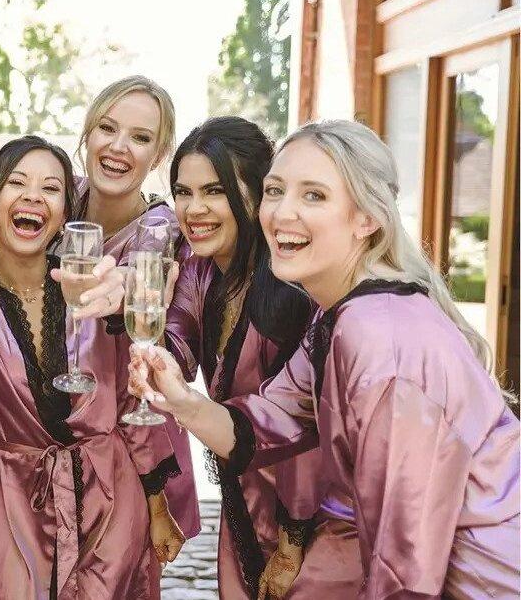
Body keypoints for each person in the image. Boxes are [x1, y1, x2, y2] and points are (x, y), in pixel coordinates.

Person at [130, 119, 521, 598]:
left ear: (367, 217)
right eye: (277, 190)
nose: (283, 212)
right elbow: (268, 424)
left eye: (314, 195)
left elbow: (404, 567)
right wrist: (180, 398)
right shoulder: (340, 316)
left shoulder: (383, 337)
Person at [0, 135, 183, 599]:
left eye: (50, 188)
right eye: (17, 183)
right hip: (16, 498)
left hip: (111, 497)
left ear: (65, 212)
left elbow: (130, 398)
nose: (32, 196)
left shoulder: (89, 285)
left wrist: (158, 504)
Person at [163, 116, 351, 599]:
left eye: (215, 191)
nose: (194, 208)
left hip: (306, 523)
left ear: (257, 196)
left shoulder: (290, 291)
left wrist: (291, 546)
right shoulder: (200, 269)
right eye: (183, 192)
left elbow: (307, 430)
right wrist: (130, 322)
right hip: (242, 500)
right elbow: (176, 351)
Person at [72, 76, 200, 540]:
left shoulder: (163, 234)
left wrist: (155, 495)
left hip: (132, 450)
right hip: (51, 444)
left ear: (159, 155)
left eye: (141, 137)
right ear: (87, 134)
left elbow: (181, 354)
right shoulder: (56, 197)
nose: (119, 146)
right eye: (108, 128)